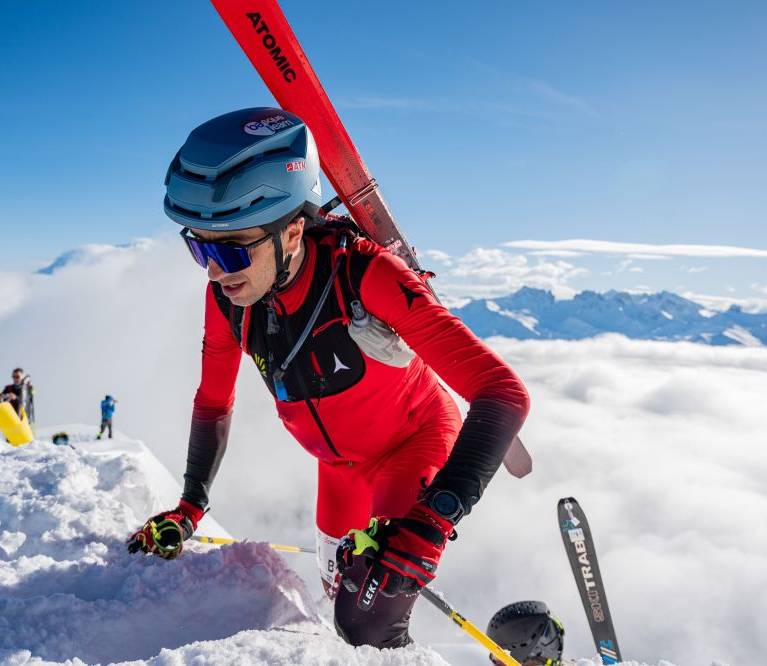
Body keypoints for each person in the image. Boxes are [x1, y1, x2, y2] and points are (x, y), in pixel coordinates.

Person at [127, 108, 530, 649]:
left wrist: (433, 522)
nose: (214, 271)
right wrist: (190, 505)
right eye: (198, 246)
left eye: (229, 248)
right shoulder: (228, 302)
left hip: (413, 448)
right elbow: (213, 402)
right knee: (334, 602)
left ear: (293, 228)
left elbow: (502, 393)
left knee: (364, 621)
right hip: (336, 469)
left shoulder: (367, 279)